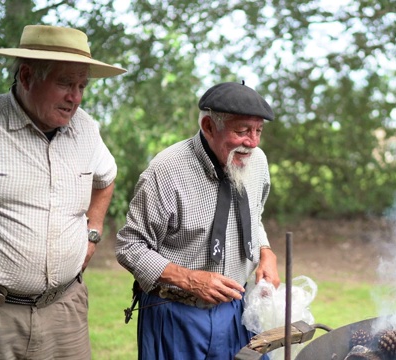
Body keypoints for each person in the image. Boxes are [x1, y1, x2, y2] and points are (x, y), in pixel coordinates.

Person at [0, 25, 126, 359]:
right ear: (28, 76)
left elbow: (106, 178)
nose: (75, 97)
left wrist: (93, 233)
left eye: (81, 86)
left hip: (65, 311)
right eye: (65, 83)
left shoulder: (86, 128)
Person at [116, 81, 281, 359]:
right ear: (208, 126)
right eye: (241, 131)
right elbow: (130, 246)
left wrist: (265, 251)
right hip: (175, 316)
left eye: (258, 131)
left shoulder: (258, 162)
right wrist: (189, 279)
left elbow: (255, 216)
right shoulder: (165, 171)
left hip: (236, 312)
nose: (252, 142)